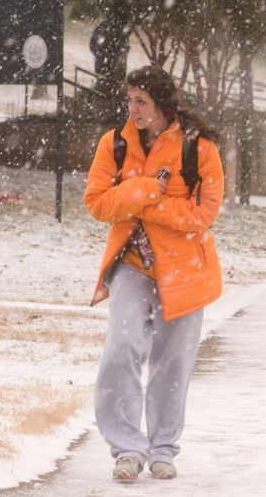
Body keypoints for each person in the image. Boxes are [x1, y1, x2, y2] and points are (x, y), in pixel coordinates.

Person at [84, 65, 224, 482]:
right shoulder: (115, 144)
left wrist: (152, 208)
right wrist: (144, 190)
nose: (132, 109)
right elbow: (96, 203)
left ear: (161, 104)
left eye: (140, 101)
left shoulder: (199, 148)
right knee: (121, 348)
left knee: (173, 360)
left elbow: (204, 213)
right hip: (130, 264)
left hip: (185, 270)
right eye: (129, 100)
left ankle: (163, 448)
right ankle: (126, 448)